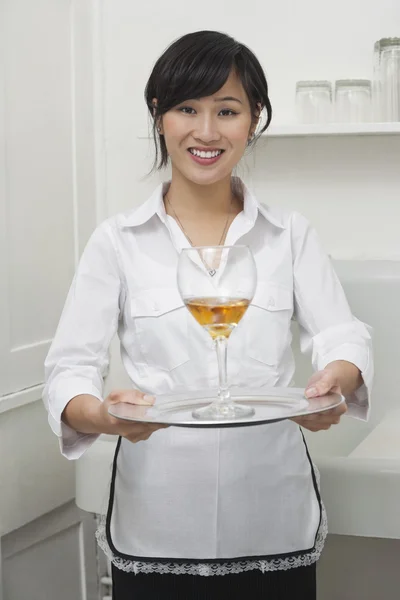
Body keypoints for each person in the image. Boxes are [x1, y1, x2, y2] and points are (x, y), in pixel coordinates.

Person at [43, 30, 373, 599]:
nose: (206, 131)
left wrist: (334, 384)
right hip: (157, 526)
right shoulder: (116, 242)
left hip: (272, 520)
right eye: (186, 108)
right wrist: (103, 415)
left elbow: (342, 335)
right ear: (159, 115)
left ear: (254, 118)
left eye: (227, 110)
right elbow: (69, 367)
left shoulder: (289, 234)